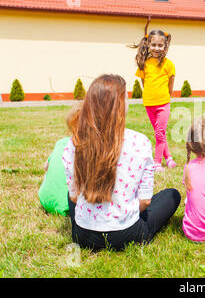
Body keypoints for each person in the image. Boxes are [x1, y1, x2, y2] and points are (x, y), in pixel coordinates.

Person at [63, 74, 181, 251]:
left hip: (82, 235)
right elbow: (145, 201)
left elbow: (73, 196)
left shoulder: (74, 142)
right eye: (126, 98)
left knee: (70, 192)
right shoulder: (140, 142)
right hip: (126, 234)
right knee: (172, 195)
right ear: (119, 105)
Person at [131, 26, 176, 172]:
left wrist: (166, 97)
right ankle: (168, 157)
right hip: (149, 103)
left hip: (163, 103)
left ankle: (157, 162)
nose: (157, 48)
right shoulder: (144, 64)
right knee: (159, 132)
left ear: (165, 46)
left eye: (160, 45)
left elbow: (171, 83)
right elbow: (145, 84)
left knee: (159, 132)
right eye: (154, 44)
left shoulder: (168, 64)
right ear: (148, 44)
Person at [38, 103, 82, 216]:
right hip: (67, 205)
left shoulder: (61, 143)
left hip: (44, 199)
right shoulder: (86, 149)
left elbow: (45, 167)